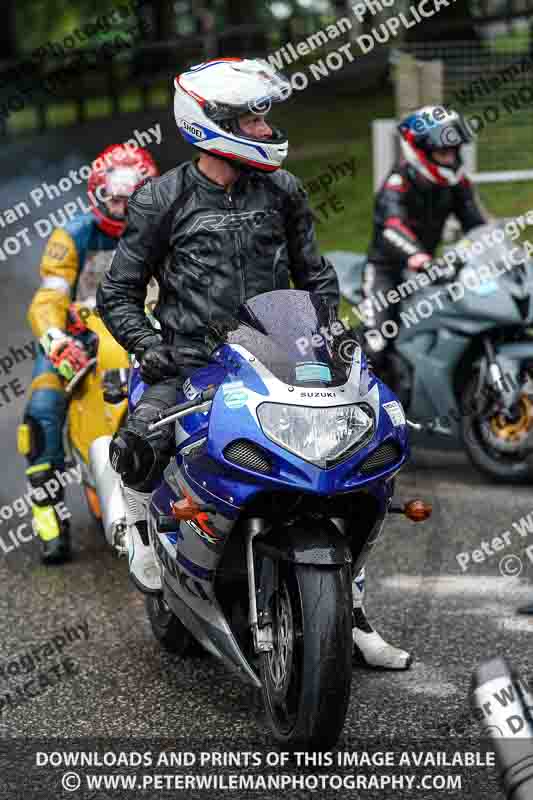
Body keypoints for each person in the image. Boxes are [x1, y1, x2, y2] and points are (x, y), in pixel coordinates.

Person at [97, 57, 412, 670]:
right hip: (190, 361)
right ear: (212, 124)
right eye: (252, 118)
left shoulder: (284, 191)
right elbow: (118, 293)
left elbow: (316, 275)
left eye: (264, 117)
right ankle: (143, 536)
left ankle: (352, 602)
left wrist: (332, 337)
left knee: (368, 449)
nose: (266, 129)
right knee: (137, 443)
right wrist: (146, 346)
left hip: (279, 353)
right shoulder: (160, 198)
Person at [18, 144, 159, 564]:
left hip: (147, 331)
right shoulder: (72, 235)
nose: (121, 207)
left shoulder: (162, 231)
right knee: (42, 412)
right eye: (114, 198)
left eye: (130, 198)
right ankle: (51, 522)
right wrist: (56, 340)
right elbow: (47, 299)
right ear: (98, 194)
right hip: (79, 338)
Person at [361, 105, 487, 371]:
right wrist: (419, 257)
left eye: (454, 151)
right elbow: (391, 228)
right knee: (377, 345)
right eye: (443, 152)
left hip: (429, 269)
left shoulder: (457, 184)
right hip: (387, 270)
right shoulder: (398, 183)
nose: (451, 158)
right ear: (420, 151)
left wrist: (493, 250)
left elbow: (476, 227)